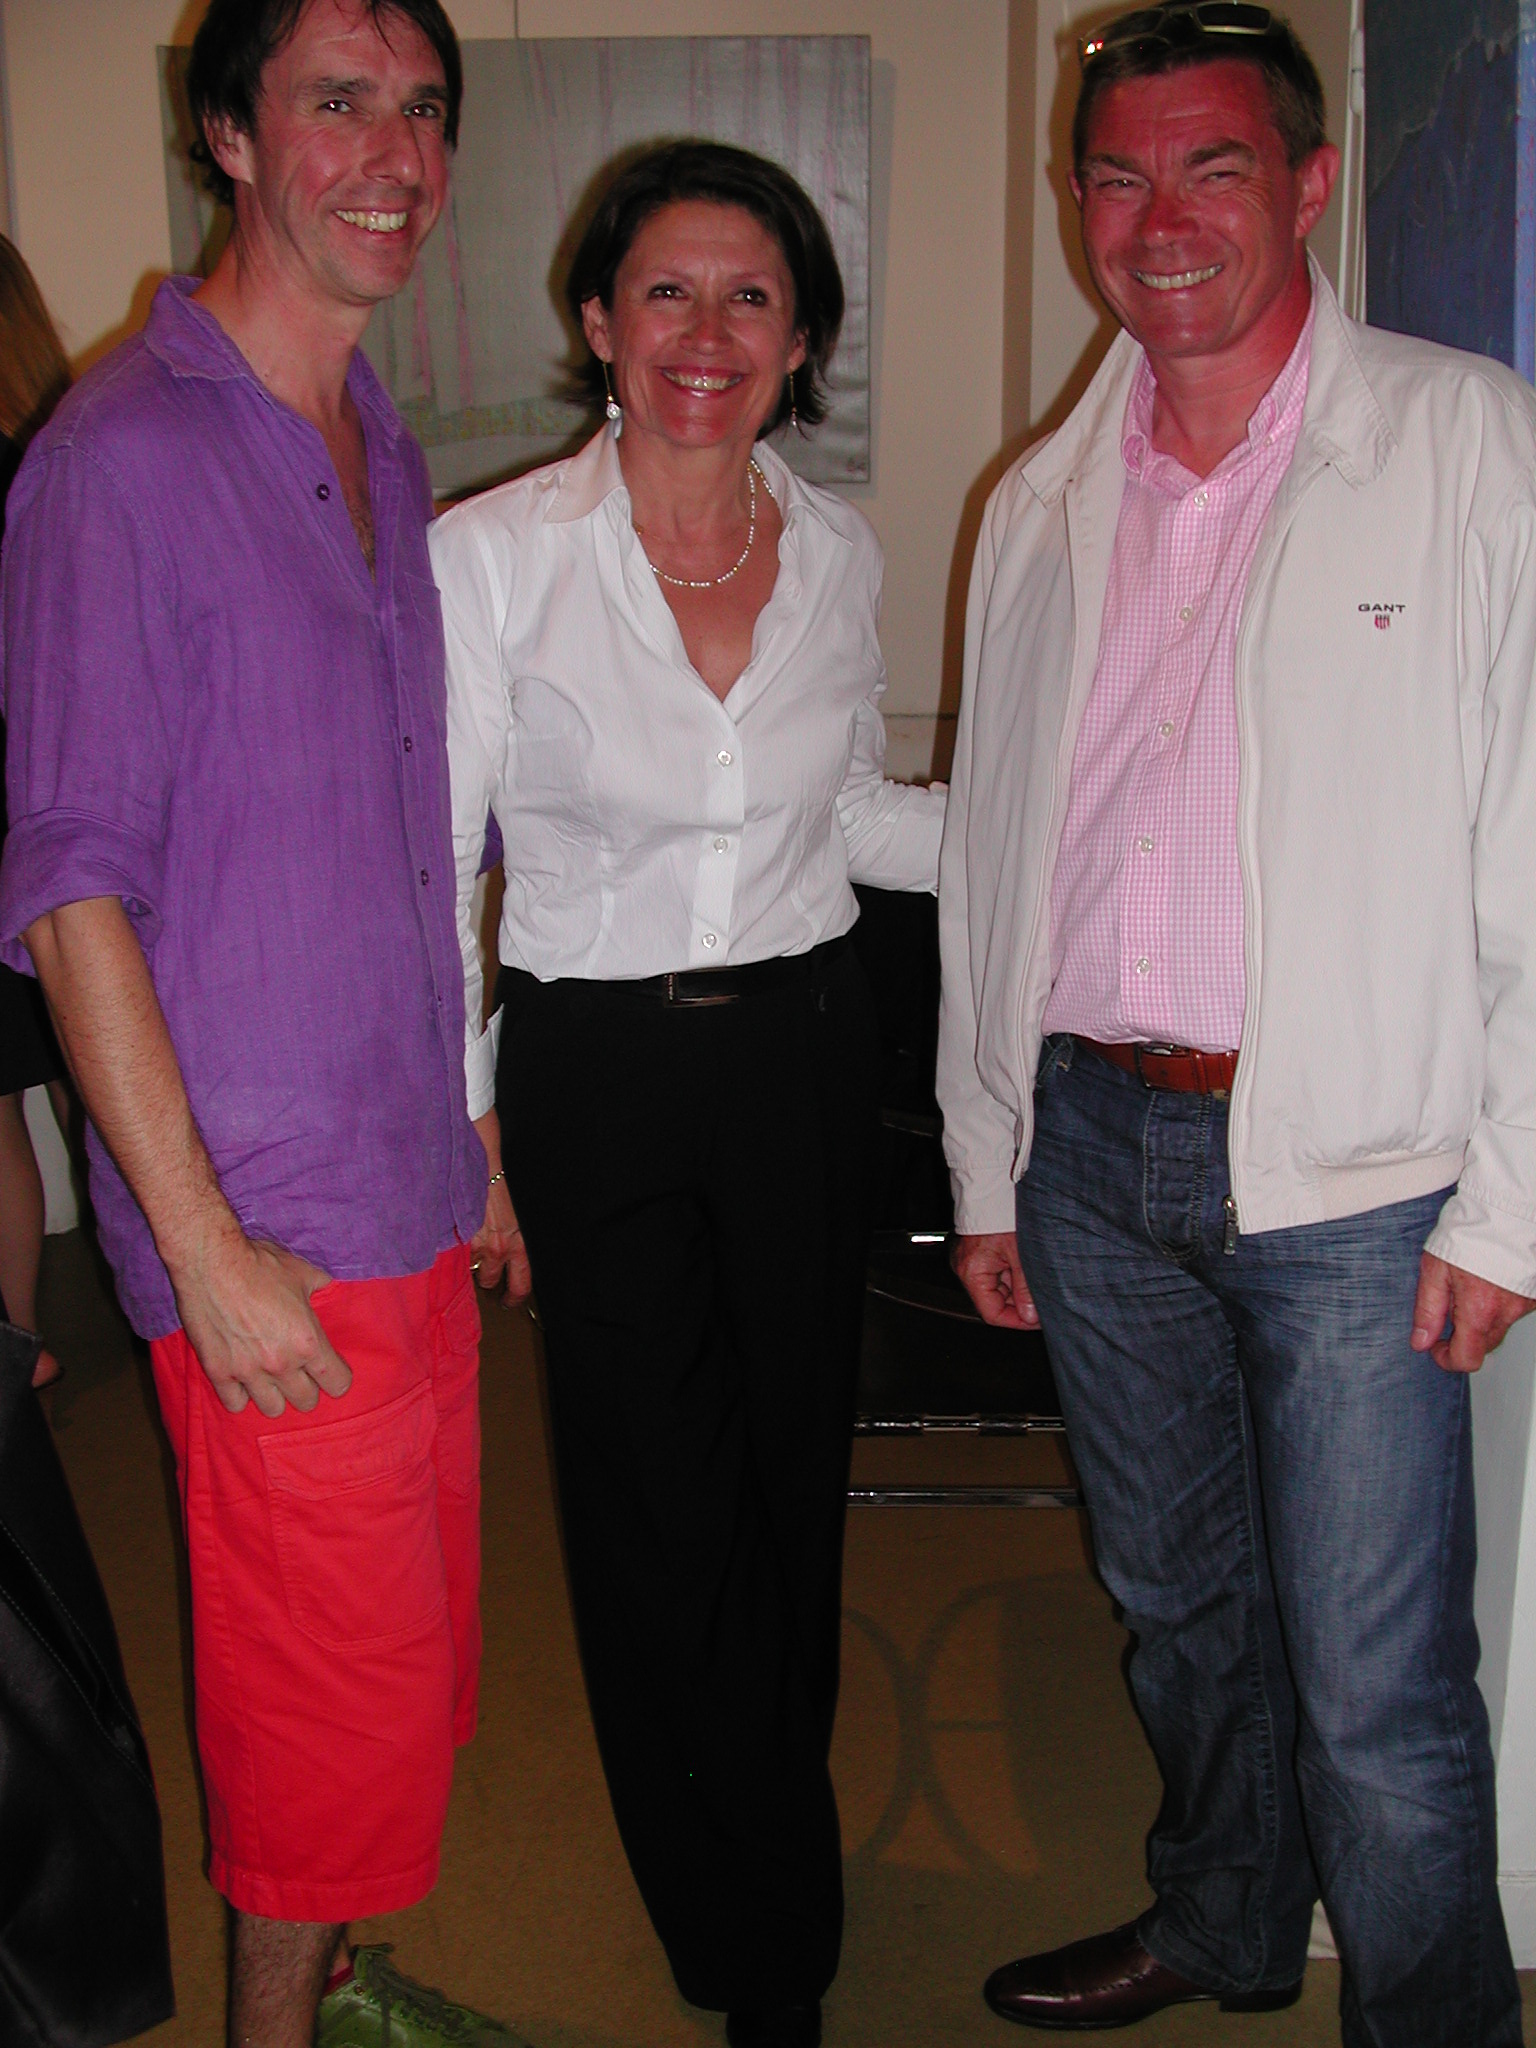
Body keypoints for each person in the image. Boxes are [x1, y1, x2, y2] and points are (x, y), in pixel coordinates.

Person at [937, 7, 1529, 2044]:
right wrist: (988, 1154)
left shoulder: (1465, 442)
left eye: (1211, 166)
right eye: (1118, 175)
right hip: (1093, 1150)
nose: (1160, 217)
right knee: (1179, 1608)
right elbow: (1006, 850)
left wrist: (1512, 1200)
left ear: (1308, 182)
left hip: (1353, 1175)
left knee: (1377, 1688)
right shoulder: (1038, 499)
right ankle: (1223, 1917)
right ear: (1076, 199)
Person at [0, 5, 524, 2044]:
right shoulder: (118, 458)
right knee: (314, 1744)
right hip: (274, 1242)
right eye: (337, 104)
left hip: (404, 1194)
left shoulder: (374, 433)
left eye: (422, 110)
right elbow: (69, 891)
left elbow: (396, 840)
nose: (395, 155)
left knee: (398, 1696)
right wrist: (203, 1247)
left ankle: (344, 1994)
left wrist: (469, 1135)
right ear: (227, 133)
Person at [431, 140, 945, 2048]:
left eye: (751, 296)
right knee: (658, 1511)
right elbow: (435, 863)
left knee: (789, 1484)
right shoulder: (495, 556)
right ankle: (757, 1942)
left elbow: (853, 814)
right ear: (596, 320)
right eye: (665, 289)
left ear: (801, 340)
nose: (705, 332)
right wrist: (468, 1126)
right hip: (597, 1070)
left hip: (804, 1052)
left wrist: (1061, 832)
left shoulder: (839, 551)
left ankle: (765, 1850)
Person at [0, 236, 74, 1390]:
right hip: (62, 802)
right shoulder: (59, 455)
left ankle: (16, 1344)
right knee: (94, 1074)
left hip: (29, 809)